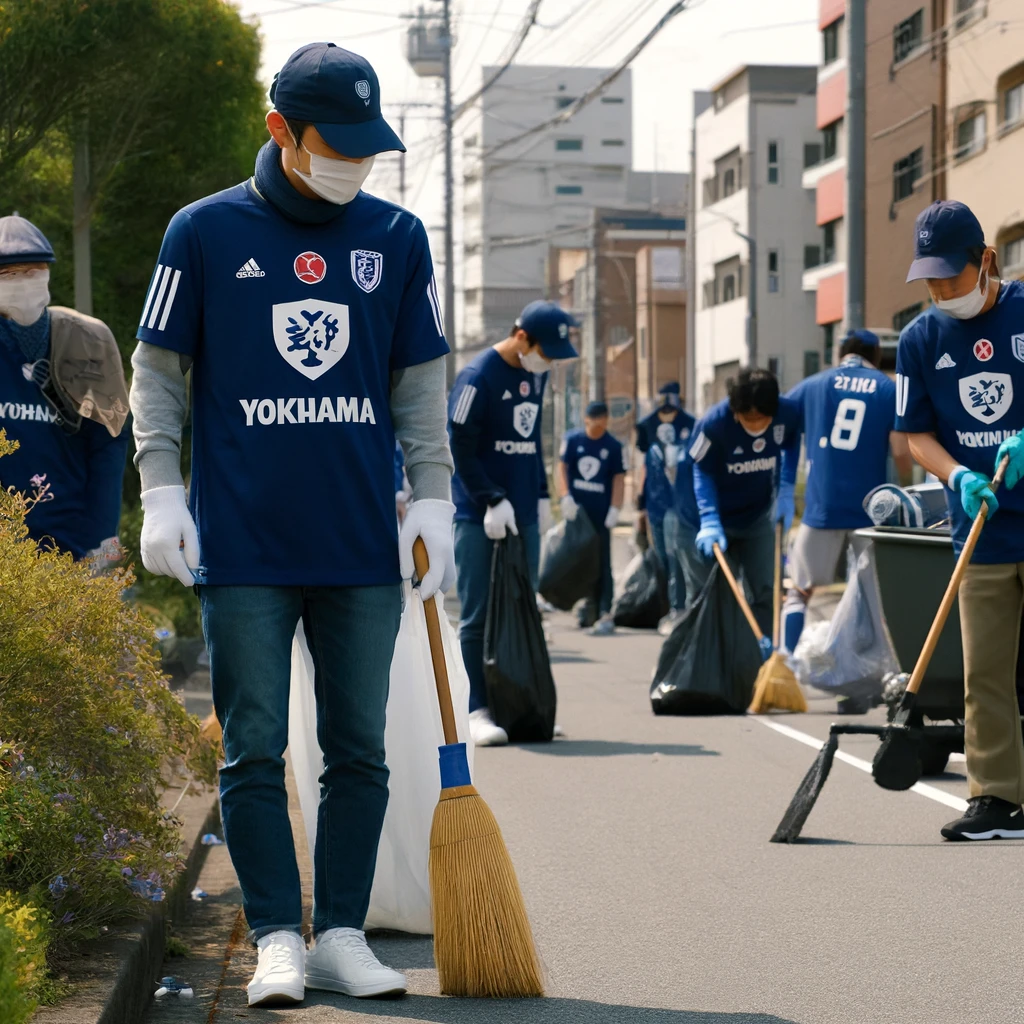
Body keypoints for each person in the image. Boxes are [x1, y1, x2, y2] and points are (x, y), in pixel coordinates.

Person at [128, 43, 455, 1006]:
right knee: (254, 746)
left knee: (360, 749)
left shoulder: (397, 237)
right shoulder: (202, 232)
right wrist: (161, 489)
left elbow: (420, 385)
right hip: (245, 545)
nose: (353, 164)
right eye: (336, 145)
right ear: (281, 130)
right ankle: (275, 932)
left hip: (360, 543)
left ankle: (342, 932)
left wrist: (431, 496)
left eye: (366, 148)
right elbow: (156, 371)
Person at [895, 198, 1024, 841]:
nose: (943, 290)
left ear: (986, 260)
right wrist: (959, 475)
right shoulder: (919, 340)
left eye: (952, 275)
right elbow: (915, 435)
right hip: (983, 526)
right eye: (932, 279)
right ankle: (997, 799)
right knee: (987, 675)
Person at [449, 300, 578, 746]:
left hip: (523, 512)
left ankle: (521, 705)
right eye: (547, 350)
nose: (550, 362)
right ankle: (476, 709)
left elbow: (529, 442)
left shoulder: (534, 375)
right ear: (522, 337)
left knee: (523, 610)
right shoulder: (478, 376)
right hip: (478, 516)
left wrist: (541, 496)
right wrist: (490, 499)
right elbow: (458, 447)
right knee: (479, 616)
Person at [0, 215, 130, 571]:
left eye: (33, 271)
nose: (22, 283)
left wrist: (103, 539)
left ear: (48, 274)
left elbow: (110, 440)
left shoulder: (87, 338)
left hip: (70, 544)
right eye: (8, 274)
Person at [780, 329, 912, 659]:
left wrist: (783, 484)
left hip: (821, 505)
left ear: (840, 351)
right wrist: (907, 490)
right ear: (877, 355)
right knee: (868, 595)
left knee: (800, 588)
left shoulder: (813, 385)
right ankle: (856, 676)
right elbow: (900, 450)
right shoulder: (887, 389)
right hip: (870, 511)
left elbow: (782, 422)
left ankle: (786, 662)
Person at [684, 367, 800, 647]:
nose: (756, 424)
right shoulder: (713, 424)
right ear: (735, 411)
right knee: (712, 595)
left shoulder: (788, 413)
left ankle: (759, 659)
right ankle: (703, 663)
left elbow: (791, 444)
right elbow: (702, 472)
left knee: (765, 591)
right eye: (748, 418)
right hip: (708, 520)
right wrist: (709, 518)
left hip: (757, 516)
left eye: (762, 418)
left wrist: (786, 488)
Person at [558, 400, 625, 635]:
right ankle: (584, 608)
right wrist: (565, 496)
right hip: (578, 514)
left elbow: (618, 478)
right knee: (578, 561)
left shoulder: (613, 446)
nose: (599, 424)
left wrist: (615, 508)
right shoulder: (574, 440)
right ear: (586, 419)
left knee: (603, 563)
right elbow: (563, 468)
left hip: (601, 515)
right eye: (594, 420)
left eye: (603, 420)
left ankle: (605, 611)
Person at [635, 382, 694, 634]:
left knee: (674, 556)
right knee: (662, 557)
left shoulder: (690, 425)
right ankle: (671, 606)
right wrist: (640, 500)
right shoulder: (647, 427)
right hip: (654, 500)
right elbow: (644, 465)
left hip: (678, 503)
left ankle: (678, 608)